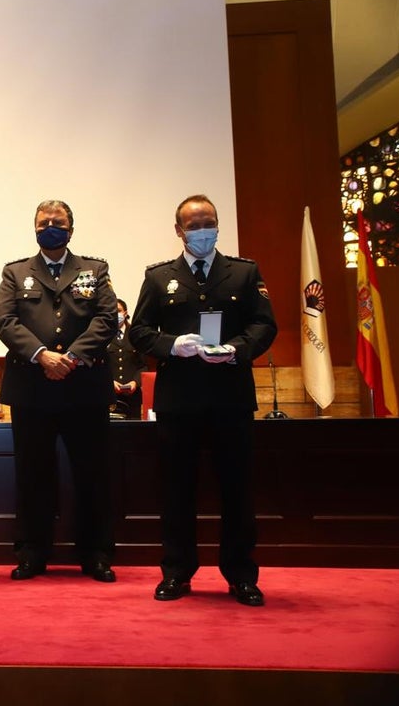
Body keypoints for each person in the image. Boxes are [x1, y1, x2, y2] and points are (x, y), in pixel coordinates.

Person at [129, 194, 277, 607]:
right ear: (179, 231)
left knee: (237, 490)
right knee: (177, 490)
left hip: (231, 399)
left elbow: (265, 324)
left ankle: (241, 575)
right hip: (179, 402)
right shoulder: (160, 278)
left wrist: (237, 348)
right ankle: (177, 572)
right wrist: (174, 345)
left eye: (208, 222)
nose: (202, 230)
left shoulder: (244, 273)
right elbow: (138, 332)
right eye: (193, 225)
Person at [0, 200, 118, 583]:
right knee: (33, 474)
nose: (50, 226)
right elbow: (4, 320)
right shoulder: (16, 272)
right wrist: (42, 355)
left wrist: (73, 357)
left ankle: (95, 554)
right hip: (32, 389)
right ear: (34, 228)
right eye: (43, 222)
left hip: (85, 388)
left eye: (57, 222)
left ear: (71, 229)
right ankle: (32, 551)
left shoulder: (94, 270)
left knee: (91, 474)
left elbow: (107, 318)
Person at [107, 299, 146, 419]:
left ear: (125, 313)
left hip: (133, 396)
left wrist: (135, 382)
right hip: (109, 394)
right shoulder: (103, 334)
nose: (115, 314)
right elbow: (98, 364)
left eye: (118, 311)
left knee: (133, 434)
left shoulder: (135, 334)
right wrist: (109, 382)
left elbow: (144, 365)